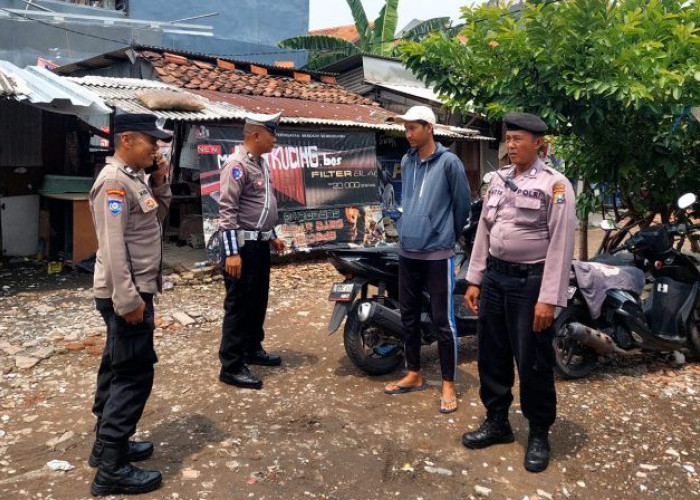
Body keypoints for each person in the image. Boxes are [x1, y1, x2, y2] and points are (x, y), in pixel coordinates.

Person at [462, 112, 576, 473]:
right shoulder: (497, 180)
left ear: (538, 143)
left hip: (531, 284)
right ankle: (498, 422)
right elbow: (484, 228)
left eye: (518, 140)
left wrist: (549, 297)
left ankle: (539, 432)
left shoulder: (556, 185)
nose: (511, 146)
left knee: (534, 360)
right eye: (508, 139)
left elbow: (561, 243)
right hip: (495, 278)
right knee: (491, 355)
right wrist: (474, 277)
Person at [88, 113, 173, 496]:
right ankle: (112, 470)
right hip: (128, 294)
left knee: (115, 365)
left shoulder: (134, 179)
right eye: (149, 141)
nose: (155, 147)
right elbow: (112, 248)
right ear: (126, 140)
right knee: (134, 374)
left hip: (135, 290)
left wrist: (160, 180)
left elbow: (158, 221)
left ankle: (105, 447)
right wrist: (128, 300)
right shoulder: (113, 184)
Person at [383, 106, 471, 414]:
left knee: (442, 319)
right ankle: (414, 372)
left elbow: (462, 208)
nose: (407, 134)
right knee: (407, 315)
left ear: (429, 128)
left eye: (412, 129)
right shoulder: (407, 161)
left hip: (438, 254)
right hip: (408, 251)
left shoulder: (450, 163)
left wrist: (445, 234)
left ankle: (448, 382)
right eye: (405, 129)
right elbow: (407, 201)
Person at [218, 112, 287, 390]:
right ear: (256, 135)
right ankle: (231, 365)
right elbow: (228, 211)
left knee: (258, 299)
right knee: (238, 305)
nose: (275, 139)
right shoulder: (236, 165)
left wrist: (272, 236)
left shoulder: (260, 164)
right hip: (242, 248)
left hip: (259, 245)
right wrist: (232, 253)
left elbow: (258, 208)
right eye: (272, 134)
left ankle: (252, 348)